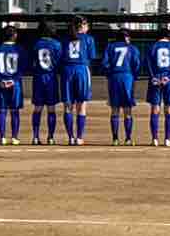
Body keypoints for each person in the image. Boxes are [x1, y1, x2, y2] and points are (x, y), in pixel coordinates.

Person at [60, 16, 98, 146]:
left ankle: (70, 137)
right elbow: (92, 57)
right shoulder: (88, 39)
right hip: (81, 69)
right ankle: (79, 137)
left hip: (67, 70)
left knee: (68, 106)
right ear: (82, 25)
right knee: (81, 105)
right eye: (87, 24)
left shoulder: (64, 39)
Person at [103, 29, 142, 146]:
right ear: (126, 37)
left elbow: (105, 63)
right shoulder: (132, 48)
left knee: (115, 109)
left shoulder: (110, 47)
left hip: (114, 77)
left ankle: (115, 139)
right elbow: (137, 64)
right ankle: (128, 138)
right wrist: (134, 76)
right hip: (127, 77)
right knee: (127, 109)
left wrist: (110, 74)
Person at [145, 28, 170, 147]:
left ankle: (154, 139)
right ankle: (167, 139)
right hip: (169, 79)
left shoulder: (152, 47)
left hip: (155, 78)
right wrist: (169, 77)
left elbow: (148, 64)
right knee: (169, 108)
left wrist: (153, 77)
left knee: (155, 108)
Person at [0, 25, 26, 146]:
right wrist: (14, 80)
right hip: (15, 84)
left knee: (2, 110)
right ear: (15, 35)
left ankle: (2, 137)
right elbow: (22, 67)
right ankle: (15, 137)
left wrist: (1, 79)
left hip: (1, 83)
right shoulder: (19, 49)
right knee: (14, 111)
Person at [31, 20, 63, 145]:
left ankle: (35, 137)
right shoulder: (57, 44)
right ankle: (50, 137)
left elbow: (32, 61)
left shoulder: (36, 44)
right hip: (51, 77)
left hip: (38, 77)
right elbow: (59, 61)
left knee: (37, 108)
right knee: (51, 108)